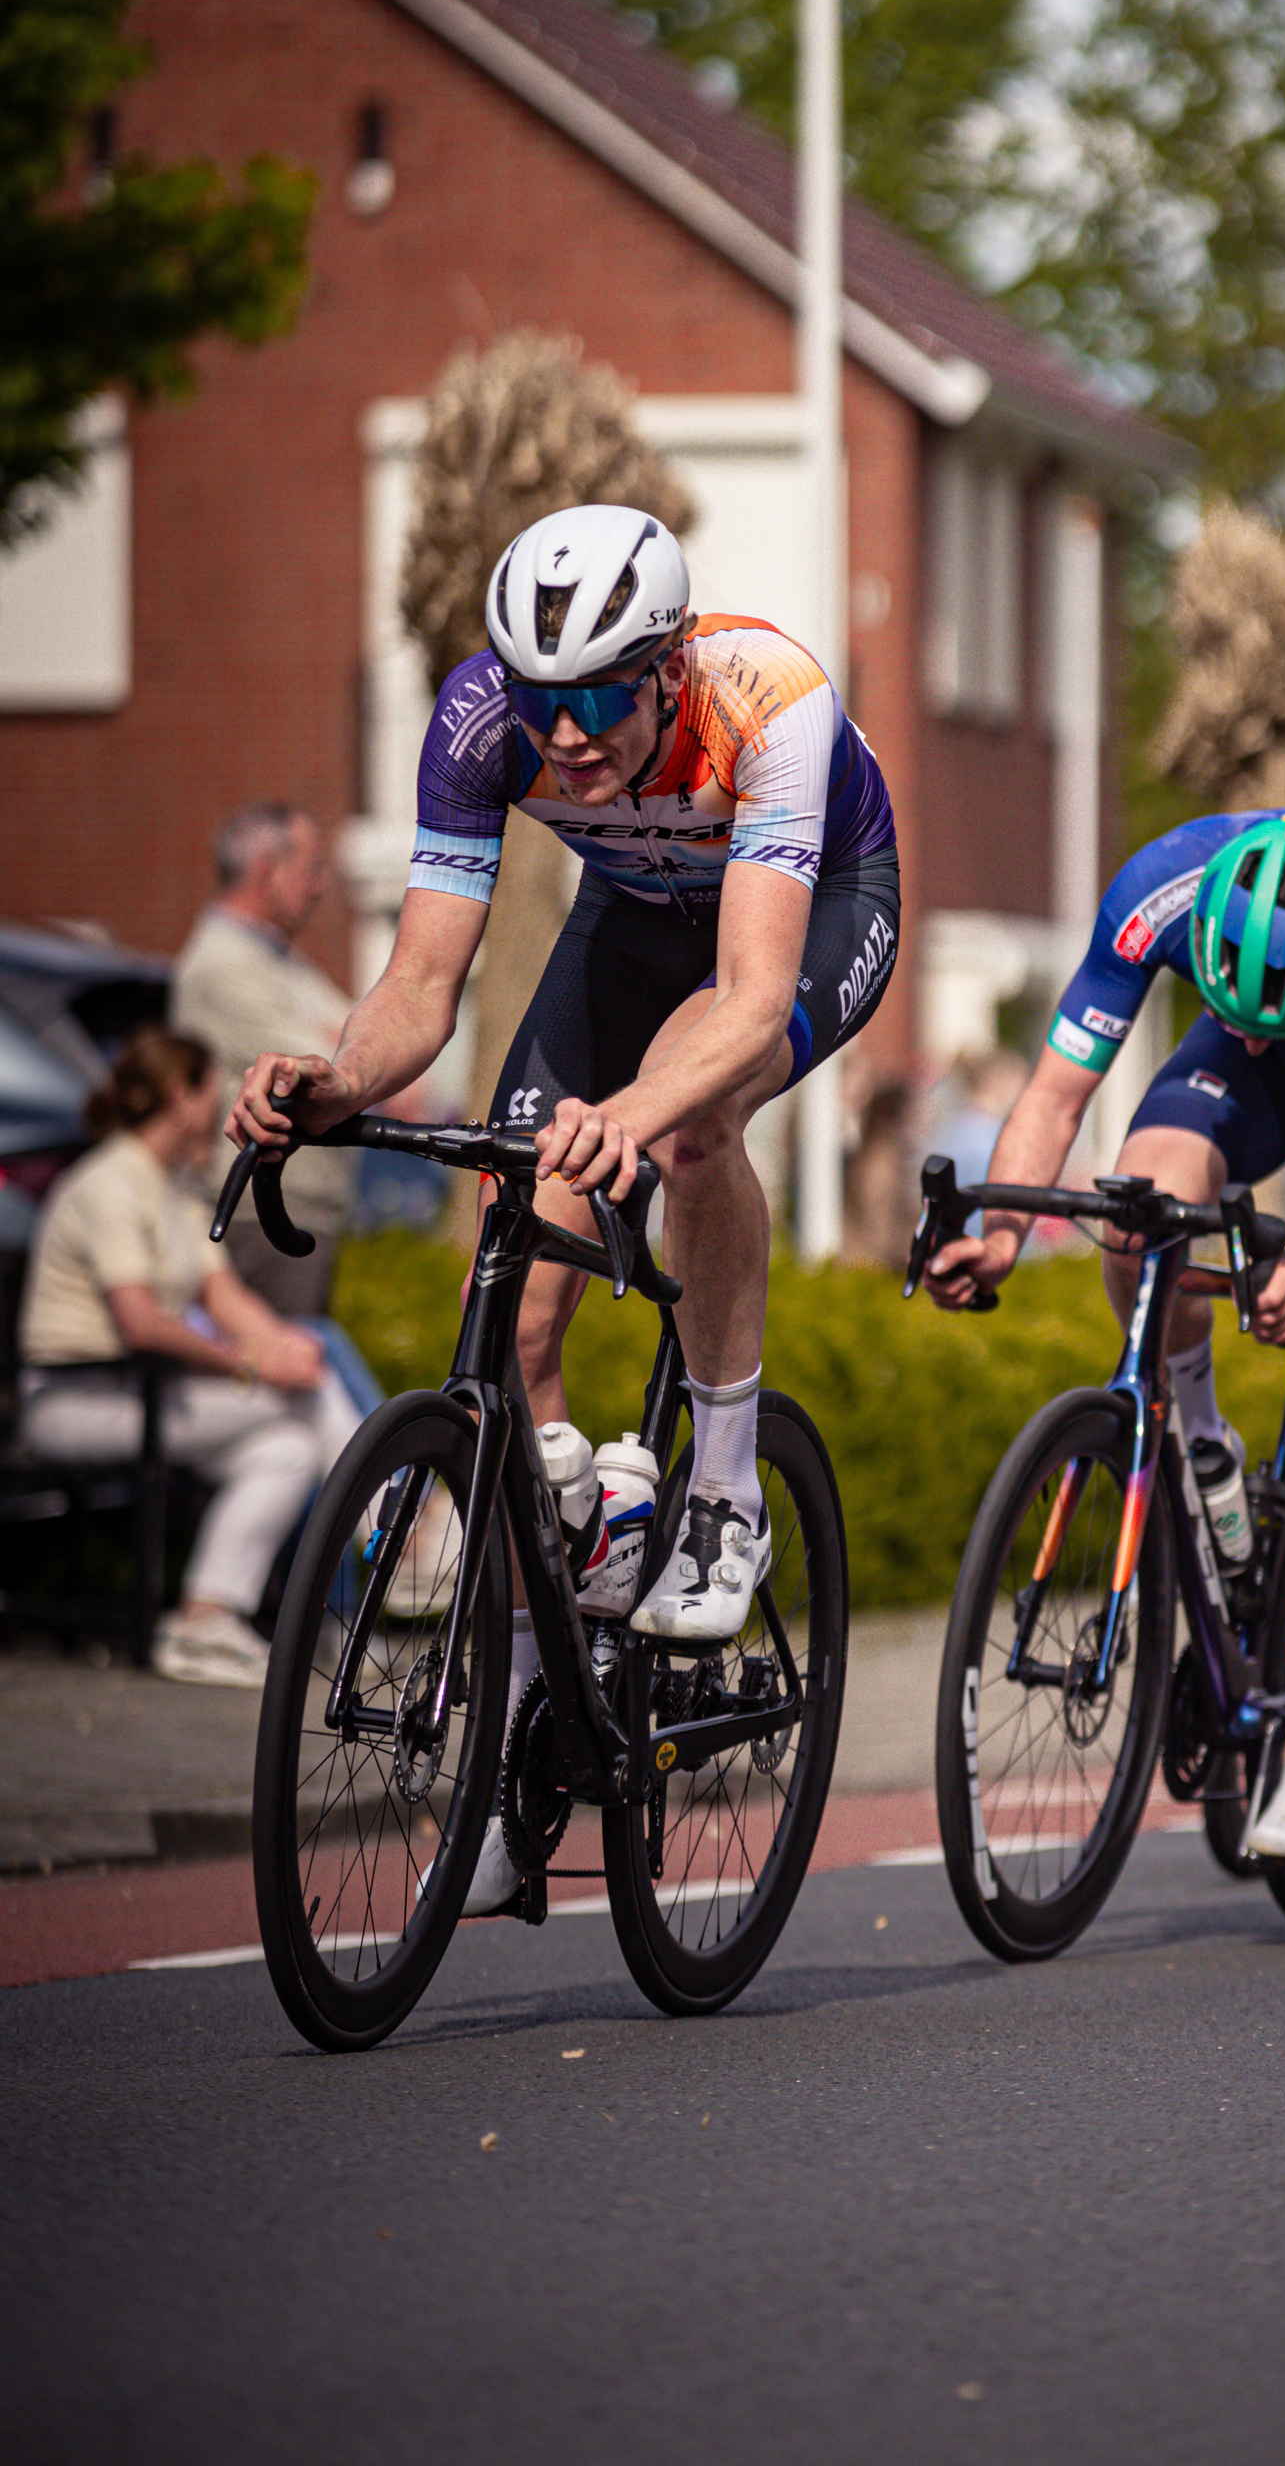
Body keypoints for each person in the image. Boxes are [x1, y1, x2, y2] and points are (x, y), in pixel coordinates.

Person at [228, 501, 899, 1908]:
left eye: (599, 697)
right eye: (545, 703)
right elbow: (422, 987)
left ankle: (721, 1494)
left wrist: (635, 1122)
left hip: (811, 902)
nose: (569, 734)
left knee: (698, 1121)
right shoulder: (480, 723)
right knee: (519, 1309)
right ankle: (514, 1752)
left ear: (665, 669)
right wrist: (329, 1080)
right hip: (629, 915)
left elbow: (754, 998)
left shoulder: (767, 702)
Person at [926, 808, 1285, 1866]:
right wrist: (1000, 1234)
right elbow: (1055, 1092)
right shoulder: (1162, 888)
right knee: (1143, 1204)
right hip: (1241, 1058)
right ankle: (1199, 1443)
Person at [17, 1030, 361, 1685]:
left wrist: (283, 1348)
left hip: (140, 1394)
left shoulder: (173, 1187)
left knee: (288, 1446)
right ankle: (400, 1530)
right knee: (296, 1399)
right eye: (211, 1087)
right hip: (73, 1399)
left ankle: (204, 1619)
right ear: (181, 1096)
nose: (222, 1101)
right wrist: (255, 1367)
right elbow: (141, 1322)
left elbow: (224, 1296)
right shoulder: (110, 1181)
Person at [172, 802, 356, 1317]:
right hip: (264, 1210)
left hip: (298, 1206)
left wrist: (344, 1039)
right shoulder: (221, 963)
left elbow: (360, 1039)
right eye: (311, 867)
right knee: (273, 1379)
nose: (320, 885)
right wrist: (338, 1038)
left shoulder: (278, 959)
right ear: (265, 871)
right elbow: (332, 1061)